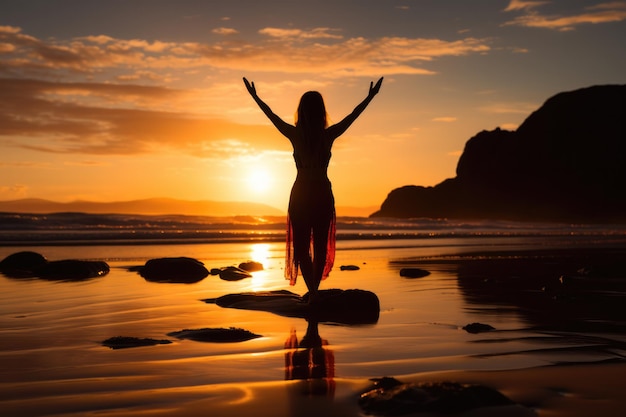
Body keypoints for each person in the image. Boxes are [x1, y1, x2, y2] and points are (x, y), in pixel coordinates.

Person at [244, 76, 383, 302]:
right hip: (316, 194)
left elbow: (272, 116)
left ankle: (314, 294)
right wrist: (256, 97)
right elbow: (351, 117)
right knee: (311, 248)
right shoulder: (318, 135)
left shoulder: (312, 135)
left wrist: (256, 98)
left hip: (307, 195)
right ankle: (314, 293)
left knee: (309, 248)